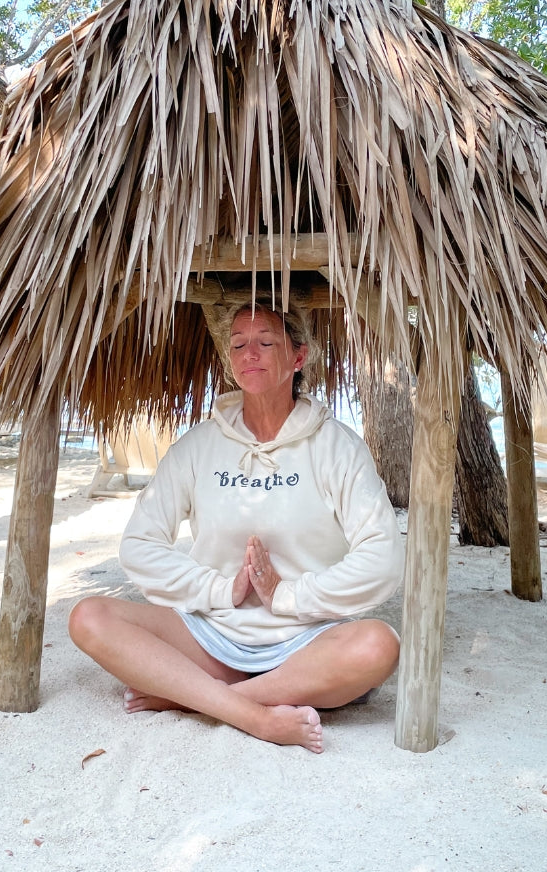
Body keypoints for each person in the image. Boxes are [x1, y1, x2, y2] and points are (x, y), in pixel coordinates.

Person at [68, 299, 404, 753]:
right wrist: (219, 590)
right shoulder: (199, 447)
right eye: (239, 344)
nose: (251, 354)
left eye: (266, 342)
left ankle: (197, 701)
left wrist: (288, 595)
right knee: (90, 617)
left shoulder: (337, 448)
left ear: (298, 357)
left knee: (378, 645)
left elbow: (383, 559)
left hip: (306, 643)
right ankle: (254, 716)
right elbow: (139, 546)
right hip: (212, 639)